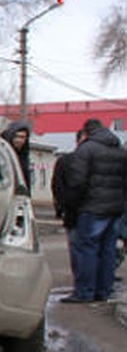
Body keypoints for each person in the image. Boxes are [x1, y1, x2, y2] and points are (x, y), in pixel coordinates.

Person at [61, 118, 127, 303]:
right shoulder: (120, 151)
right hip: (115, 210)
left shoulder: (86, 149)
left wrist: (72, 206)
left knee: (87, 250)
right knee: (107, 251)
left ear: (86, 132)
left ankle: (84, 292)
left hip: (92, 209)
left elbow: (77, 183)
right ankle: (103, 291)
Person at [51, 129, 86, 284]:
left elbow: (57, 186)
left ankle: (84, 284)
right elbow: (57, 186)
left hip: (78, 212)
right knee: (85, 249)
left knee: (80, 249)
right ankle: (87, 283)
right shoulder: (66, 161)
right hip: (78, 213)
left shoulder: (67, 160)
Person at [1, 119, 32, 194]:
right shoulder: (2, 153)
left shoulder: (23, 156)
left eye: (22, 137)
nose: (19, 140)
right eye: (16, 136)